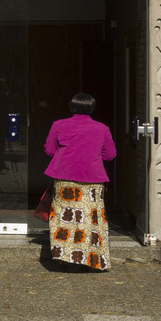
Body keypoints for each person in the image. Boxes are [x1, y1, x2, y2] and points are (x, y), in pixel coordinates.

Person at [43, 93, 116, 270]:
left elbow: (50, 150)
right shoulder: (102, 128)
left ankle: (64, 259)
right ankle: (89, 260)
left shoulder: (59, 125)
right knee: (91, 220)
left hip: (64, 178)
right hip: (93, 179)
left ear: (72, 108)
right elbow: (110, 154)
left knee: (64, 218)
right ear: (92, 108)